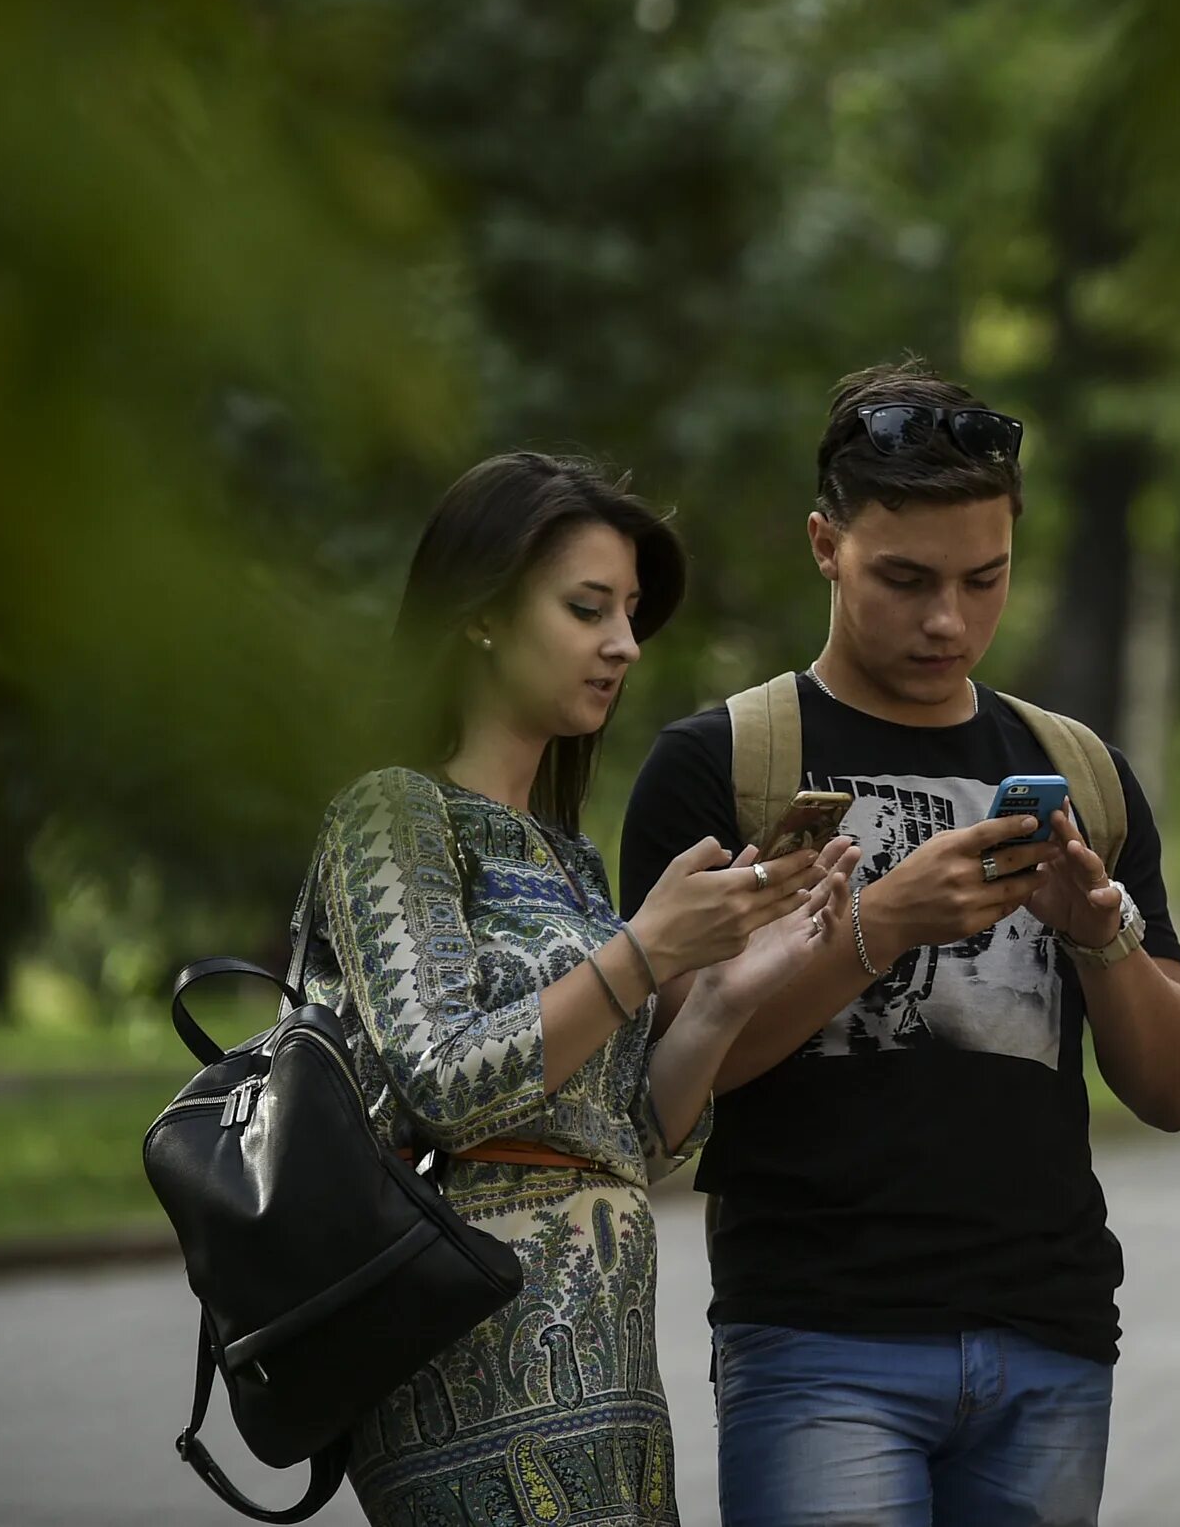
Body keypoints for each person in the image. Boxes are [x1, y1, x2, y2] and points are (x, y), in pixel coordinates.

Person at [620, 364, 1180, 1527]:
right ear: (824, 545)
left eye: (984, 578)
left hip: (1048, 1335)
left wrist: (1103, 943)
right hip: (817, 1337)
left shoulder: (1079, 769)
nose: (949, 618)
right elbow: (666, 1090)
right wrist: (878, 925)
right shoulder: (722, 761)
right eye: (906, 578)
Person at [304, 452, 854, 1526]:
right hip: (466, 1367)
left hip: (609, 1377)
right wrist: (643, 951)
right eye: (587, 607)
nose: (624, 643)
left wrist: (740, 985)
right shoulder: (393, 814)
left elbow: (630, 1135)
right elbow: (449, 1081)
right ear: (480, 614)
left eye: (632, 613)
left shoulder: (567, 859)